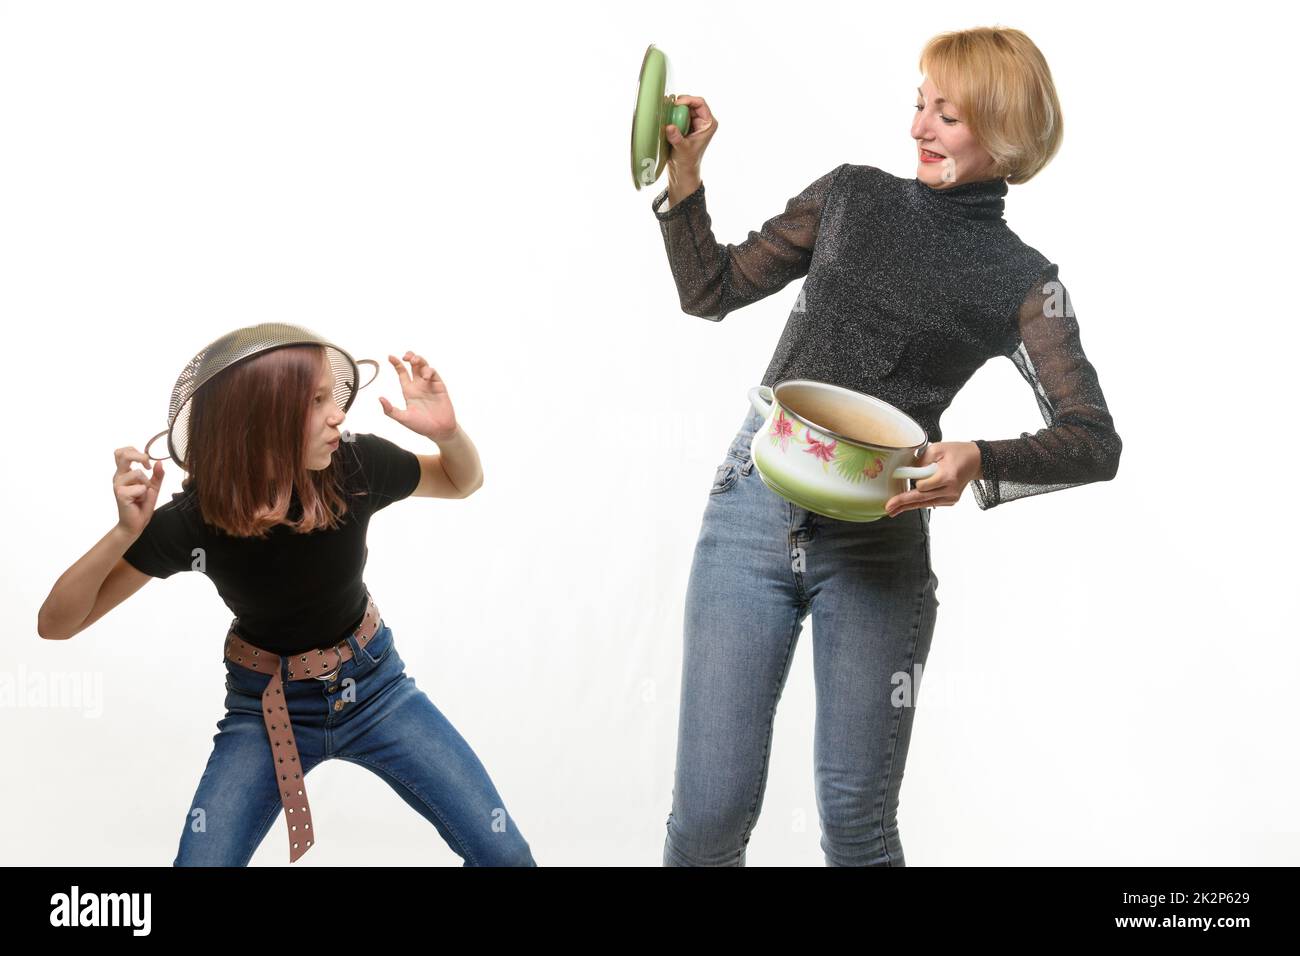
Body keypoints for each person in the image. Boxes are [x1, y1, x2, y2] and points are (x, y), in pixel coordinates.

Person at [651, 26, 1121, 865]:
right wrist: (684, 181)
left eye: (948, 114)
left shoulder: (1026, 280)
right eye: (918, 106)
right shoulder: (851, 195)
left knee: (858, 827)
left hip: (881, 540)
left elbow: (1092, 440)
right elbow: (709, 288)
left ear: (1006, 130)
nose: (918, 129)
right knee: (708, 821)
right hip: (753, 513)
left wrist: (979, 455)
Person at [36, 342, 536, 867]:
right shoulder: (194, 520)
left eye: (334, 396)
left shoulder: (357, 465)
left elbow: (463, 481)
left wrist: (447, 435)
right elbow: (57, 623)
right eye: (317, 401)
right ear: (262, 421)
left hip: (375, 688)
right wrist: (124, 531)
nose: (338, 414)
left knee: (504, 852)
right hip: (266, 707)